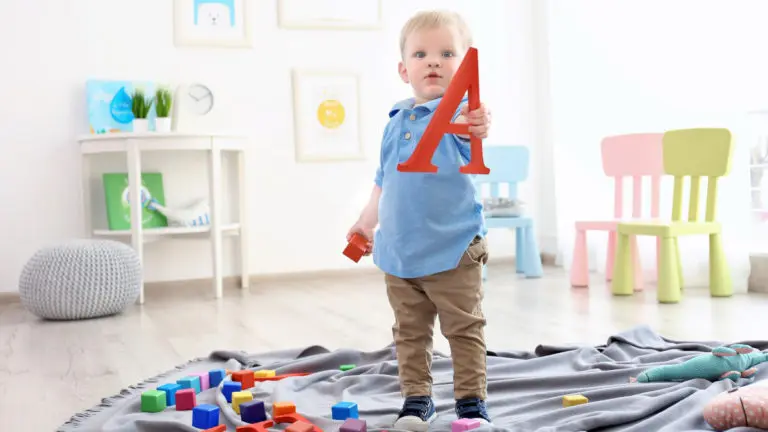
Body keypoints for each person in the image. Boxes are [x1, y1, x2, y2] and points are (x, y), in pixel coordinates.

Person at [346, 9, 493, 431]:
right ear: (403, 68)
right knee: (409, 333)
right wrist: (365, 222)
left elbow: (476, 128)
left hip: (453, 249)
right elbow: (383, 181)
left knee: (464, 330)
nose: (433, 61)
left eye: (447, 53)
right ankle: (416, 401)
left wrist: (479, 123)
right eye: (421, 53)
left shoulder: (460, 115)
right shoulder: (395, 122)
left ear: (464, 68)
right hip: (400, 252)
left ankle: (470, 405)